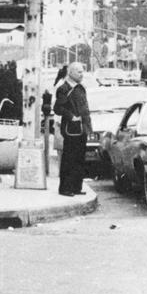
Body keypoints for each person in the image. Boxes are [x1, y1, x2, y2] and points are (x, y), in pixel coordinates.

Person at [53, 62, 92, 197]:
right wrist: (71, 116)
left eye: (82, 72)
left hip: (82, 128)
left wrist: (88, 126)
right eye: (79, 72)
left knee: (79, 159)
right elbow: (58, 108)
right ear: (71, 72)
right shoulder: (64, 88)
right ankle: (65, 188)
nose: (82, 75)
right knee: (69, 158)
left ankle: (76, 186)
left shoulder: (80, 88)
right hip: (71, 128)